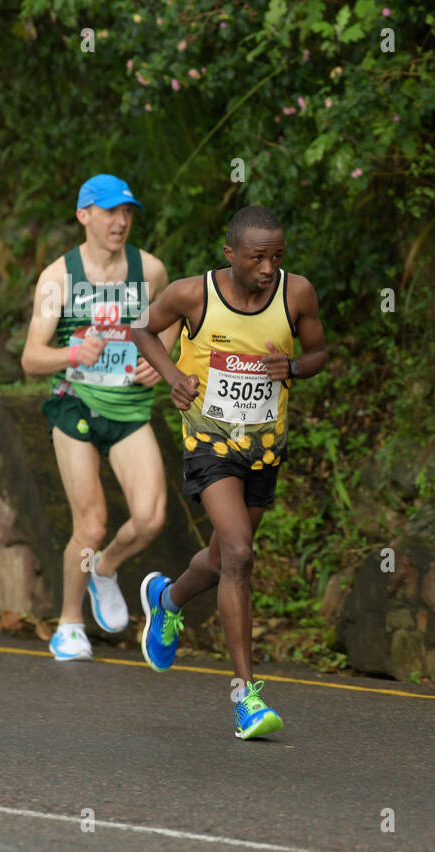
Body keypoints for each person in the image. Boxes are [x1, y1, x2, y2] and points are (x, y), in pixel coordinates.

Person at [132, 205, 325, 740]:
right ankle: (246, 697)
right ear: (230, 254)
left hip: (264, 448)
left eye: (277, 257)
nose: (268, 268)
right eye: (257, 257)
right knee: (239, 552)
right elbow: (144, 329)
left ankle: (166, 599)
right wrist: (172, 376)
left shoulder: (297, 294)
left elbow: (320, 353)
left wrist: (293, 368)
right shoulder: (193, 294)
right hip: (209, 442)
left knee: (220, 562)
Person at [22, 174, 172, 662]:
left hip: (128, 407)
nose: (121, 221)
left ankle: (104, 570)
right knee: (91, 523)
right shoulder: (58, 279)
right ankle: (68, 623)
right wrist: (72, 352)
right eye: (110, 211)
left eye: (127, 212)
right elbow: (30, 358)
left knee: (150, 519)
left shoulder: (149, 272)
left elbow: (169, 328)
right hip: (76, 405)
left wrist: (161, 359)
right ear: (84, 214)